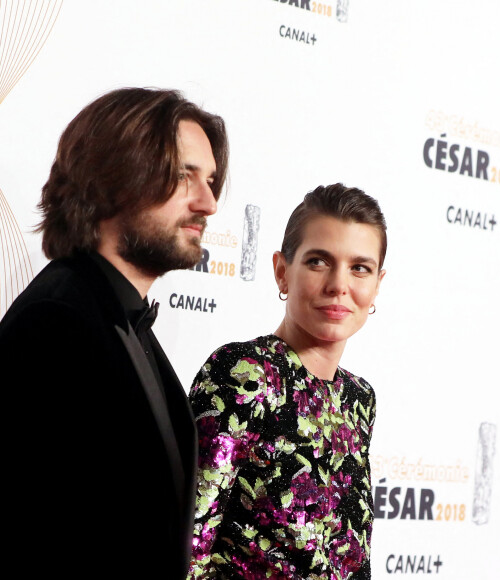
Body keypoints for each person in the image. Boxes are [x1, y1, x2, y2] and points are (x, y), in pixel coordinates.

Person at [0, 87, 229, 580]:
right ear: (114, 176)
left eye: (210, 180)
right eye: (185, 175)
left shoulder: (122, 320)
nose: (208, 202)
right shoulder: (56, 322)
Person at [189, 183, 387, 579]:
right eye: (318, 261)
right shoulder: (244, 375)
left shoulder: (359, 398)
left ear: (377, 284)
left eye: (359, 267)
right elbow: (189, 544)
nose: (339, 285)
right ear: (282, 272)